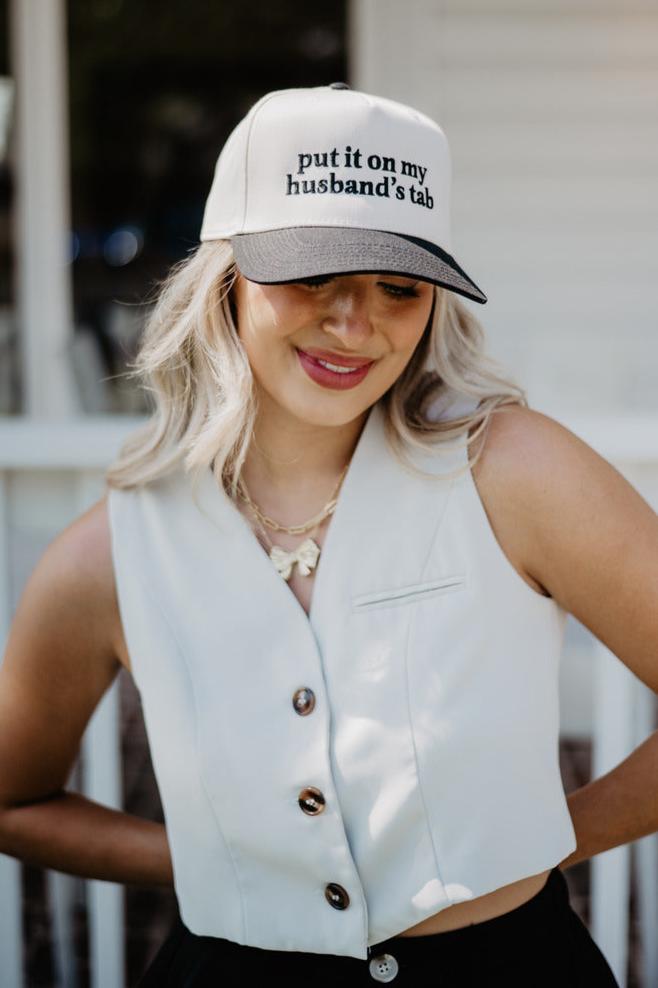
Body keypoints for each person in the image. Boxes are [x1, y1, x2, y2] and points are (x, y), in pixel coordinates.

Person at [3, 83, 657, 988]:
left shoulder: (515, 472)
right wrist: (219, 854)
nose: (357, 322)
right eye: (314, 272)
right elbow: (14, 797)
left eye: (400, 285)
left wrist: (548, 835)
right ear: (226, 274)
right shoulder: (110, 551)